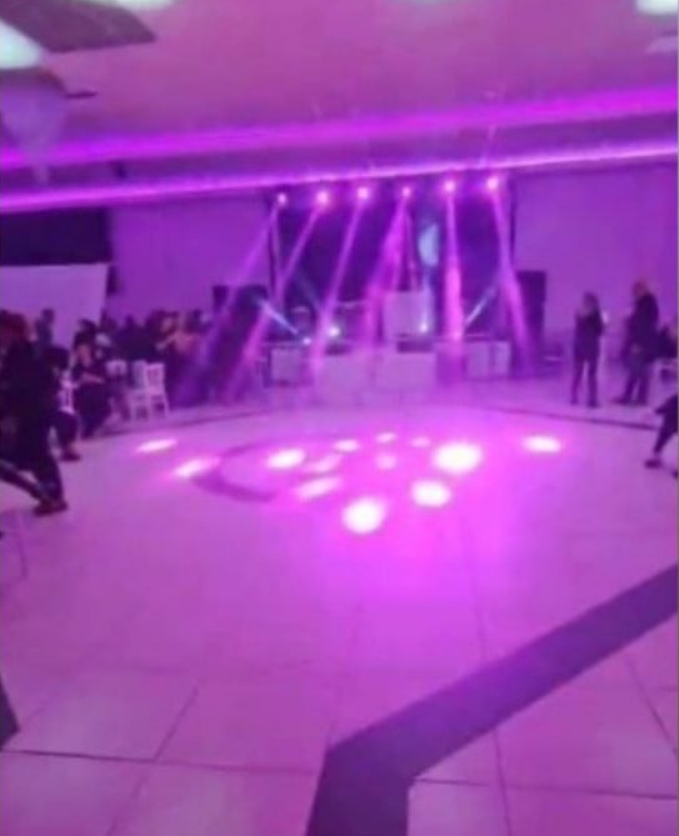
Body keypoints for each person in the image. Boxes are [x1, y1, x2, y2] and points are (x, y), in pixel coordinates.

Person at [0, 311, 67, 515]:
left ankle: (53, 496)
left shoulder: (22, 354)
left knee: (38, 455)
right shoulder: (22, 352)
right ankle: (51, 495)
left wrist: (8, 414)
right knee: (36, 455)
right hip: (35, 409)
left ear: (10, 331)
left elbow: (18, 388)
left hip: (32, 411)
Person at [617, 281, 660, 406]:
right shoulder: (643, 305)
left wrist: (638, 342)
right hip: (640, 342)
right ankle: (630, 396)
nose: (634, 294)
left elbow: (643, 325)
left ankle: (640, 398)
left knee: (640, 371)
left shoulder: (646, 305)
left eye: (636, 291)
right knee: (635, 370)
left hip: (641, 343)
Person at [571, 292, 605, 408]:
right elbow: (600, 330)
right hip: (591, 346)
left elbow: (578, 328)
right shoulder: (596, 314)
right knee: (592, 374)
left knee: (578, 372)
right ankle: (592, 399)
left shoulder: (578, 313)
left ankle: (574, 396)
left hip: (579, 345)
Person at [71, 342, 111, 438]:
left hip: (98, 389)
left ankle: (93, 427)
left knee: (98, 398)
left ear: (89, 350)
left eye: (84, 349)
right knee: (84, 400)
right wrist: (89, 379)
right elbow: (77, 379)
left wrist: (89, 378)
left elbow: (103, 379)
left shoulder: (98, 363)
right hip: (84, 391)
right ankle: (89, 428)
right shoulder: (77, 366)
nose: (82, 352)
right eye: (80, 350)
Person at [645, 394, 678, 476]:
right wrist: (654, 412)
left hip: (670, 420)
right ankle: (656, 456)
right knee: (663, 437)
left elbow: (666, 406)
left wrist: (654, 412)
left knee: (663, 437)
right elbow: (667, 406)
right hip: (670, 420)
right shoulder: (674, 400)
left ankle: (656, 456)